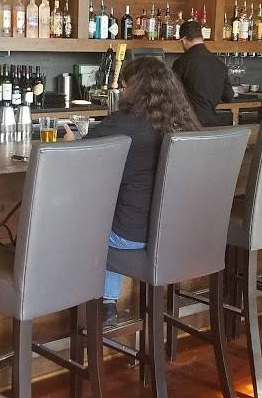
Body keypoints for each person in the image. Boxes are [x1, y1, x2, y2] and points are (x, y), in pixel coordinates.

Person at [70, 56, 202, 324]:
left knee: (92, 226)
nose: (122, 91)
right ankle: (107, 303)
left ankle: (100, 306)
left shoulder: (123, 123)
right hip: (177, 233)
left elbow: (80, 159)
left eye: (125, 85)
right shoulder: (184, 123)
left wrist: (71, 142)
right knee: (114, 216)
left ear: (134, 88)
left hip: (132, 235)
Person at [172, 20, 234, 126]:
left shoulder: (181, 63)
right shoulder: (219, 64)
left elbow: (172, 95)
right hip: (212, 125)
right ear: (201, 38)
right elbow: (228, 97)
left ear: (184, 40)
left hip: (188, 125)